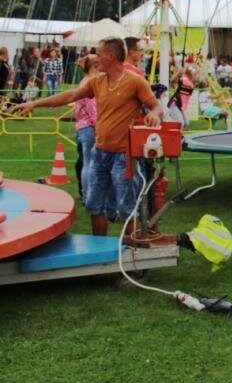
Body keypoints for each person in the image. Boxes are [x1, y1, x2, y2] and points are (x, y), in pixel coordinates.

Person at [12, 37, 162, 235]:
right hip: (99, 152)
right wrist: (35, 103)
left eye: (98, 54)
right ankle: (99, 247)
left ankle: (133, 250)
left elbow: (157, 107)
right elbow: (69, 96)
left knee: (126, 208)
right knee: (93, 205)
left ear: (110, 56)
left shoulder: (135, 82)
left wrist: (154, 114)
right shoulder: (97, 82)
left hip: (124, 155)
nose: (95, 59)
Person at [73, 54, 100, 205]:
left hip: (82, 126)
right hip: (91, 127)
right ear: (95, 67)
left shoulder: (83, 82)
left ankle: (86, 196)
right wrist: (98, 127)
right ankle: (89, 197)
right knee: (91, 163)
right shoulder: (91, 83)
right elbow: (93, 109)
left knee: (87, 162)